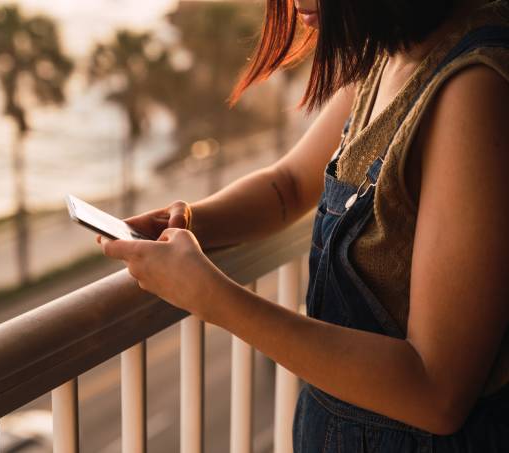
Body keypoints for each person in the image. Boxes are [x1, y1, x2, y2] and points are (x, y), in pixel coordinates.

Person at [97, 0, 509, 450]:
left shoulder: (474, 90)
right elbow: (289, 185)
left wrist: (211, 296)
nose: (295, 4)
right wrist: (191, 220)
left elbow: (437, 392)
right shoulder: (387, 59)